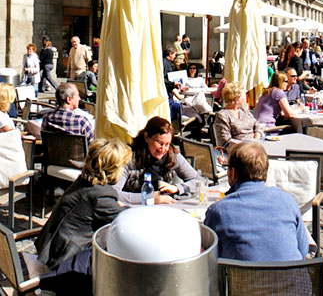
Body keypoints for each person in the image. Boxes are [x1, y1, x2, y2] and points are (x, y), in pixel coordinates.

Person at [35, 139, 131, 295]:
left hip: (51, 248)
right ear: (113, 168)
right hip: (67, 261)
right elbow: (125, 222)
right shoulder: (101, 194)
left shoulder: (85, 181)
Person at [203, 142, 309, 261]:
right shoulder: (288, 201)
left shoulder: (218, 211)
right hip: (292, 273)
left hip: (240, 274)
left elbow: (207, 257)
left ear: (233, 173)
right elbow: (303, 249)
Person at [114, 116, 200, 205]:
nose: (163, 149)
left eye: (167, 144)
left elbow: (198, 181)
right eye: (159, 143)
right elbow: (113, 193)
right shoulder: (128, 157)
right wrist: (148, 198)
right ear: (146, 137)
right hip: (132, 208)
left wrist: (177, 188)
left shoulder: (172, 155)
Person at [213, 81, 263, 147]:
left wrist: (256, 138)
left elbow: (257, 125)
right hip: (238, 149)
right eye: (244, 95)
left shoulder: (244, 110)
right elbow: (224, 141)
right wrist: (247, 146)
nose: (246, 98)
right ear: (237, 99)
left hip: (255, 145)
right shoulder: (222, 115)